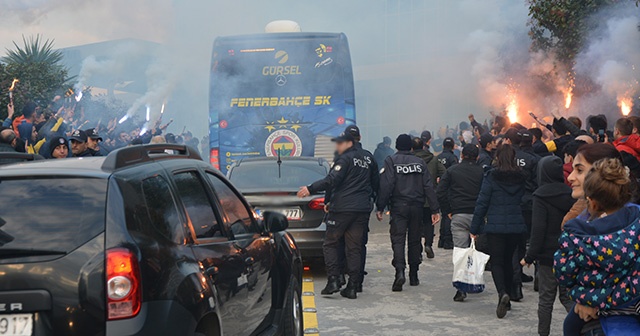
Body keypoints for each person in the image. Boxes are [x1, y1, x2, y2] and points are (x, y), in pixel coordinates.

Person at [556, 158, 640, 335]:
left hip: (590, 308)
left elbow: (563, 273)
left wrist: (587, 297)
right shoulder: (636, 223)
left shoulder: (577, 234)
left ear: (591, 201)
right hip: (630, 304)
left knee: (569, 327)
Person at [298, 131, 378, 300]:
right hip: (362, 209)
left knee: (331, 244)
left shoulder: (345, 158)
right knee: (354, 248)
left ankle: (333, 280)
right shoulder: (368, 158)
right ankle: (353, 286)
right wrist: (377, 204)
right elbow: (376, 183)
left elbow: (332, 180)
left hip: (342, 209)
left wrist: (310, 189)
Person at [376, 134, 440, 292]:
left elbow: (386, 185)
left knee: (398, 240)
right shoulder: (420, 163)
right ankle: (414, 275)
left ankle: (399, 272)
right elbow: (428, 186)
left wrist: (380, 207)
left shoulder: (391, 161)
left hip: (399, 207)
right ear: (411, 147)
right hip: (417, 207)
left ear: (397, 147)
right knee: (414, 240)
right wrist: (434, 209)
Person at [470, 144, 527, 319]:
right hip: (516, 226)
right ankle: (509, 295)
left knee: (497, 262)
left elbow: (482, 202)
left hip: (495, 226)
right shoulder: (521, 177)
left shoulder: (491, 176)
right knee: (510, 261)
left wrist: (475, 227)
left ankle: (502, 293)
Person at [521, 156, 576, 336]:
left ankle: (543, 333)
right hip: (568, 253)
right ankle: (581, 328)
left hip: (547, 256)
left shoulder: (540, 196)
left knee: (546, 300)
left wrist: (529, 256)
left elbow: (538, 229)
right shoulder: (571, 195)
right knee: (567, 297)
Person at [437, 144, 484, 302]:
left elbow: (440, 191)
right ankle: (474, 281)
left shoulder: (452, 170)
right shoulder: (482, 172)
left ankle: (460, 288)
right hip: (478, 215)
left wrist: (447, 210)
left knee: (460, 251)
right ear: (477, 157)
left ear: (462, 155)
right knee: (477, 251)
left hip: (458, 215)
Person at [413, 136, 446, 257]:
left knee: (415, 224)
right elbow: (445, 174)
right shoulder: (433, 159)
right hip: (429, 196)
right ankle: (428, 244)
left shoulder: (410, 160)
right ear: (423, 146)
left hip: (414, 197)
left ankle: (418, 248)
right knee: (428, 222)